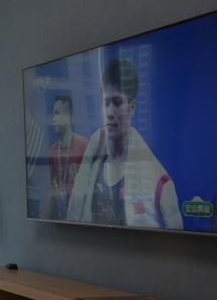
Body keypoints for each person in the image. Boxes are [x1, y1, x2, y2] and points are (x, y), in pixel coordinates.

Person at [67, 58, 183, 229]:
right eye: (106, 103)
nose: (110, 112)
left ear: (132, 107)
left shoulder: (157, 179)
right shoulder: (93, 154)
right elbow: (74, 214)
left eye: (117, 103)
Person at [47, 95, 88, 219]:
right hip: (60, 218)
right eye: (53, 114)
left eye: (57, 113)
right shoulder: (52, 152)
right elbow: (50, 190)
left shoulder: (84, 145)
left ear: (68, 116)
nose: (53, 119)